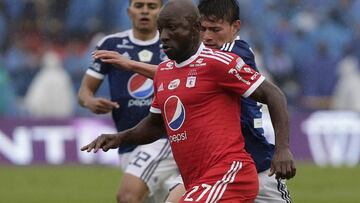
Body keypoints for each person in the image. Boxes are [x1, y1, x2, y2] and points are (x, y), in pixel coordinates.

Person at [82, 0, 296, 202]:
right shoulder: (168, 71)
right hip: (200, 175)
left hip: (243, 168)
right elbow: (156, 125)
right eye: (204, 29)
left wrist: (283, 149)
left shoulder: (229, 55)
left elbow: (273, 94)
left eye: (215, 29)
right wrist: (118, 138)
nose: (208, 36)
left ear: (235, 27)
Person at [78, 0, 179, 202]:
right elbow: (84, 91)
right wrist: (90, 102)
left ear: (161, 11)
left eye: (152, 6)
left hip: (161, 137)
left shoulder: (173, 44)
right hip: (126, 142)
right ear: (129, 11)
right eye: (139, 5)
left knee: (127, 195)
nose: (144, 11)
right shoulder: (111, 45)